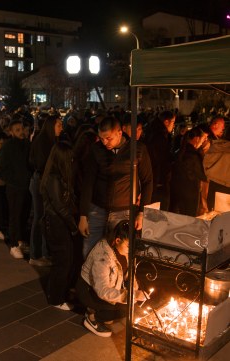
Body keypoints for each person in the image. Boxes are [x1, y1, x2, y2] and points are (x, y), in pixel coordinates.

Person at [78, 116, 153, 258]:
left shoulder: (137, 149)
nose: (105, 142)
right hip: (97, 209)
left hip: (124, 211)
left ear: (120, 133)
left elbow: (147, 181)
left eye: (108, 138)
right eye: (101, 138)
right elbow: (88, 183)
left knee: (121, 254)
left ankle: (119, 279)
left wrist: (142, 213)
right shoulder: (96, 150)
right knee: (89, 252)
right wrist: (83, 215)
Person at [77, 220, 146, 337]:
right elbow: (102, 290)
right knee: (126, 310)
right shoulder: (102, 257)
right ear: (117, 240)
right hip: (89, 290)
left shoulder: (124, 250)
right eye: (129, 245)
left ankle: (104, 311)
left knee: (131, 305)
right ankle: (92, 317)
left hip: (109, 287)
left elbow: (129, 274)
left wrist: (135, 289)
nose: (131, 249)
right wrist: (131, 296)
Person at [40, 141, 80, 311]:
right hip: (56, 223)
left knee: (67, 259)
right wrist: (73, 226)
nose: (72, 161)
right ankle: (55, 297)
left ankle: (60, 292)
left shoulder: (57, 176)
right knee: (62, 261)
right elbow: (60, 206)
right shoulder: (53, 178)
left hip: (59, 221)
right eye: (69, 159)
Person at [0, 117, 32, 259]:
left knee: (24, 215)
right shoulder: (8, 147)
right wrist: (13, 179)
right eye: (17, 130)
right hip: (14, 187)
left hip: (26, 186)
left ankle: (20, 240)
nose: (21, 132)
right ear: (11, 132)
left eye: (22, 129)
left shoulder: (26, 144)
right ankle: (14, 244)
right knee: (15, 216)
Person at [28, 113, 63, 266]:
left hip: (45, 180)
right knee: (39, 216)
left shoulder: (51, 140)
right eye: (59, 125)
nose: (61, 128)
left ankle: (44, 252)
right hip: (41, 181)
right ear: (51, 126)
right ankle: (35, 255)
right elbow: (41, 164)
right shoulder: (43, 142)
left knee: (44, 217)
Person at [170, 126, 208, 216]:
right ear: (197, 139)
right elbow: (202, 175)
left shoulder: (179, 151)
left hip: (176, 191)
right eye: (202, 140)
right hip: (190, 193)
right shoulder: (193, 156)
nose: (203, 143)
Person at [145, 110, 176, 211]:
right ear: (166, 122)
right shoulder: (160, 137)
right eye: (173, 122)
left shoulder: (152, 132)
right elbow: (161, 160)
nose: (174, 125)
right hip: (159, 182)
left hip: (155, 180)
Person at [203, 127, 230, 211]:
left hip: (214, 187)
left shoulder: (214, 147)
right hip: (227, 189)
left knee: (216, 219)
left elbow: (205, 166)